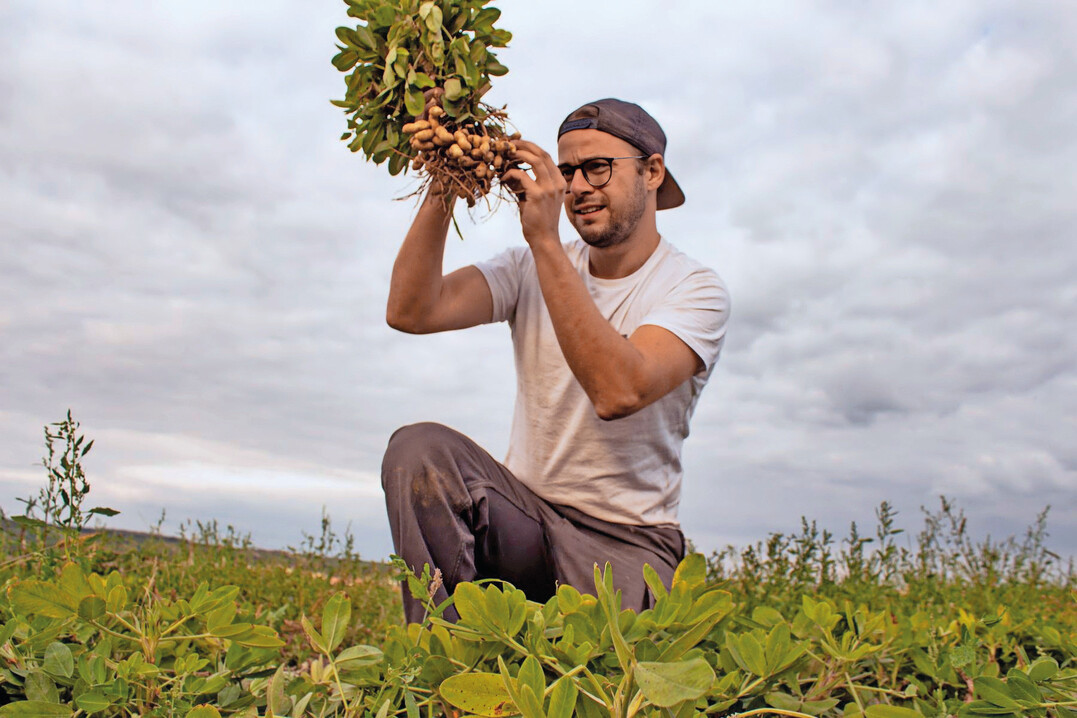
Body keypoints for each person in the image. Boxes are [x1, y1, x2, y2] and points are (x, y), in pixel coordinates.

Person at [381, 98, 730, 623]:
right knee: (419, 450)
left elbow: (618, 391)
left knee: (597, 669)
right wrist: (445, 179)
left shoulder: (694, 290)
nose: (578, 187)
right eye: (568, 172)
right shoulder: (528, 267)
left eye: (598, 168)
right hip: (526, 521)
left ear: (652, 171)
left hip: (625, 542)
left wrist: (543, 237)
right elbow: (411, 310)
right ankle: (443, 663)